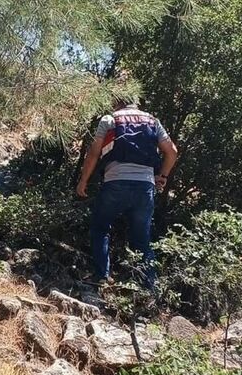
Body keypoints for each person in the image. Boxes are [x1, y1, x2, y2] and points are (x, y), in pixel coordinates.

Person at [75, 94, 178, 289]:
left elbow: (94, 153)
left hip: (115, 182)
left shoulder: (110, 119)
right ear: (136, 102)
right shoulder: (152, 121)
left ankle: (102, 276)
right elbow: (171, 151)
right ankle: (148, 288)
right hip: (145, 187)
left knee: (100, 228)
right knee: (142, 239)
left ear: (117, 102)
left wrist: (83, 181)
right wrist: (162, 177)